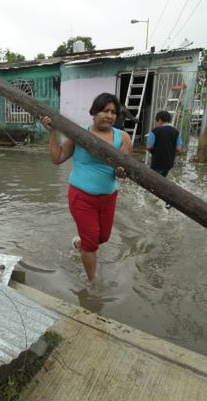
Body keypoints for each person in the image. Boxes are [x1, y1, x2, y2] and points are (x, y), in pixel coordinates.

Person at [40, 93, 133, 284]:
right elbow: (57, 158)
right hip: (81, 196)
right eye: (104, 111)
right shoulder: (79, 134)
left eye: (113, 112)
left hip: (108, 197)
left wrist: (122, 172)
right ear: (93, 112)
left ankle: (79, 244)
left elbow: (123, 169)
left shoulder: (122, 137)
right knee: (92, 241)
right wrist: (52, 133)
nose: (109, 115)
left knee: (103, 237)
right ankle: (93, 283)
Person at [146, 110, 182, 178]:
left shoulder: (154, 131)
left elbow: (149, 147)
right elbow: (178, 149)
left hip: (157, 162)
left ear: (159, 120)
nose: (156, 123)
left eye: (156, 122)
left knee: (154, 181)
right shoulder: (176, 132)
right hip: (169, 163)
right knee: (163, 179)